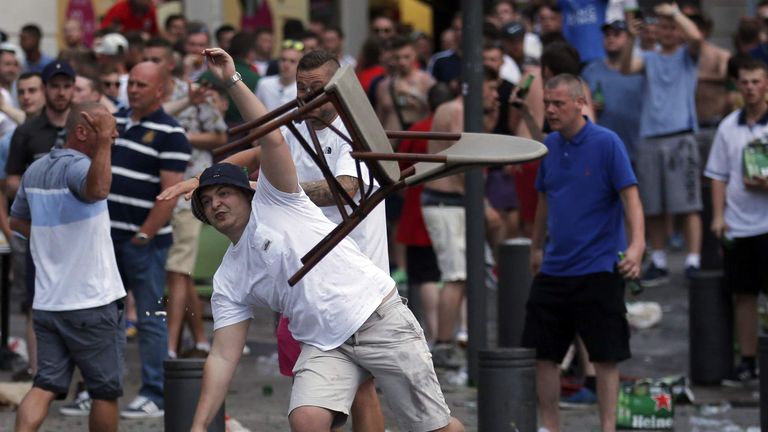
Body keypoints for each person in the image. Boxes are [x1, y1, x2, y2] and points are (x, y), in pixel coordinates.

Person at [161, 46, 463, 432]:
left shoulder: (348, 135)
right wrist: (208, 179)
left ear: (337, 89)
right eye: (301, 88)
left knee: (425, 423)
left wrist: (265, 183)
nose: (306, 97)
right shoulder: (230, 272)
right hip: (319, 327)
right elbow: (259, 147)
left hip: (366, 298)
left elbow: (343, 185)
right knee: (307, 417)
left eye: (316, 88)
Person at [522, 73, 644, 432]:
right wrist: (535, 246)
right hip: (555, 269)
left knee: (606, 355)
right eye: (547, 103)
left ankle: (607, 426)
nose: (551, 110)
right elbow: (544, 200)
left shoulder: (607, 143)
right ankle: (550, 426)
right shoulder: (550, 146)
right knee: (543, 355)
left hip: (598, 267)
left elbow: (631, 198)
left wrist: (636, 246)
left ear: (580, 103)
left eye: (558, 103)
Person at [11, 102, 126, 432]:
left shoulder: (35, 170)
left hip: (48, 305)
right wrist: (103, 143)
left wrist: (53, 239)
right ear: (82, 132)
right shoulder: (79, 169)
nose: (114, 134)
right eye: (106, 128)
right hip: (91, 303)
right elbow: (99, 189)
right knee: (104, 391)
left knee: (44, 384)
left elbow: (17, 220)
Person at [109, 61, 190, 418]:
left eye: (142, 85)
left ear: (161, 91)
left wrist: (144, 234)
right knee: (106, 318)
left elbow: (169, 193)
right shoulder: (119, 120)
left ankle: (155, 393)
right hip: (109, 238)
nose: (134, 89)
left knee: (150, 317)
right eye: (132, 83)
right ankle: (103, 388)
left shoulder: (171, 132)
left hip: (145, 242)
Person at [422, 66, 499, 368]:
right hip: (445, 203)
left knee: (463, 275)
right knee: (455, 276)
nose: (495, 95)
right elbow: (466, 164)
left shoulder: (466, 112)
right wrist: (485, 205)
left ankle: (449, 340)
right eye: (492, 89)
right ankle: (442, 343)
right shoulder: (455, 111)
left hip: (456, 204)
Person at [621, 2, 704, 285]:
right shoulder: (649, 57)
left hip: (681, 135)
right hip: (650, 137)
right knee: (653, 205)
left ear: (679, 31)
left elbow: (696, 38)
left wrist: (674, 14)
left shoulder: (687, 56)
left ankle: (693, 259)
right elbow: (626, 67)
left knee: (689, 203)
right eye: (663, 27)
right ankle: (658, 259)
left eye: (672, 28)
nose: (668, 32)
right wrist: (632, 37)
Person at [704, 58, 768, 387]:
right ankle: (748, 360)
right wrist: (717, 216)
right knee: (743, 296)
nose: (750, 88)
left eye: (756, 81)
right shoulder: (729, 125)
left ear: (766, 84)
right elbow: (717, 175)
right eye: (744, 82)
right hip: (739, 225)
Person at [581, 20, 643, 160]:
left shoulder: (640, 68)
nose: (611, 38)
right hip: (602, 150)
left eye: (616, 34)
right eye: (607, 34)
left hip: (636, 148)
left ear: (628, 37)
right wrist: (589, 105)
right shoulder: (590, 70)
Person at [375, 35, 435, 134]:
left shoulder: (426, 81)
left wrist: (413, 94)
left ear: (415, 55)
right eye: (397, 58)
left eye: (407, 57)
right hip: (391, 143)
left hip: (416, 141)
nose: (402, 62)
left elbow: (434, 115)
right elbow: (379, 119)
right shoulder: (383, 86)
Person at [255, 40, 301, 111]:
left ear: (300, 65)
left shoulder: (302, 89)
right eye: (283, 60)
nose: (286, 65)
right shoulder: (264, 84)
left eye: (292, 61)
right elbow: (256, 111)